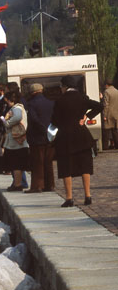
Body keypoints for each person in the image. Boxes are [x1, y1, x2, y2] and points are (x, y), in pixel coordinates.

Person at [51, 74, 102, 207]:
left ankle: (69, 198)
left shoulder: (60, 101)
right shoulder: (82, 98)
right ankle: (88, 195)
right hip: (82, 135)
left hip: (65, 137)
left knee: (66, 167)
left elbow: (54, 120)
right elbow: (99, 106)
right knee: (85, 166)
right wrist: (87, 116)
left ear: (64, 86)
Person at [25, 83, 55, 193]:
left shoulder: (31, 104)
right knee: (48, 162)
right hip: (50, 136)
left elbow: (34, 119)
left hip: (36, 137)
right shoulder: (51, 102)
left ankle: (37, 186)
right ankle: (49, 185)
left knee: (37, 162)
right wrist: (49, 130)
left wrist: (43, 129)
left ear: (32, 92)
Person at [0, 89, 29, 191]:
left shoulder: (16, 108)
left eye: (7, 100)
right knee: (17, 164)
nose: (6, 102)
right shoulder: (20, 107)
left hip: (15, 141)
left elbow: (17, 117)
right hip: (18, 139)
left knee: (15, 163)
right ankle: (18, 183)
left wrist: (6, 122)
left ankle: (17, 184)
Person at [102, 80, 118, 150]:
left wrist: (104, 115)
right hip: (116, 114)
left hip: (109, 114)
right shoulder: (117, 91)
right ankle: (117, 145)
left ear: (106, 85)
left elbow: (106, 104)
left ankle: (105, 147)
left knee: (106, 131)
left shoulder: (106, 92)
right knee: (115, 130)